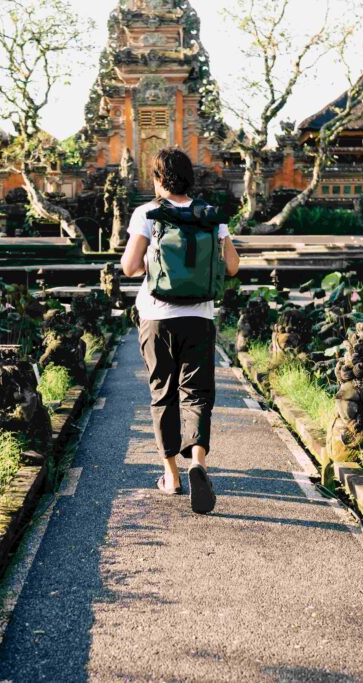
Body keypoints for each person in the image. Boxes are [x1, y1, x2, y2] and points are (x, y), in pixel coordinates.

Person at [120, 148, 241, 514]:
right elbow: (232, 266)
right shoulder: (211, 216)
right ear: (191, 178)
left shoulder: (148, 213)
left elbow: (129, 267)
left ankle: (171, 475)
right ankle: (198, 463)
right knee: (198, 393)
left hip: (157, 316)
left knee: (163, 394)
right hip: (200, 316)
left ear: (158, 179)